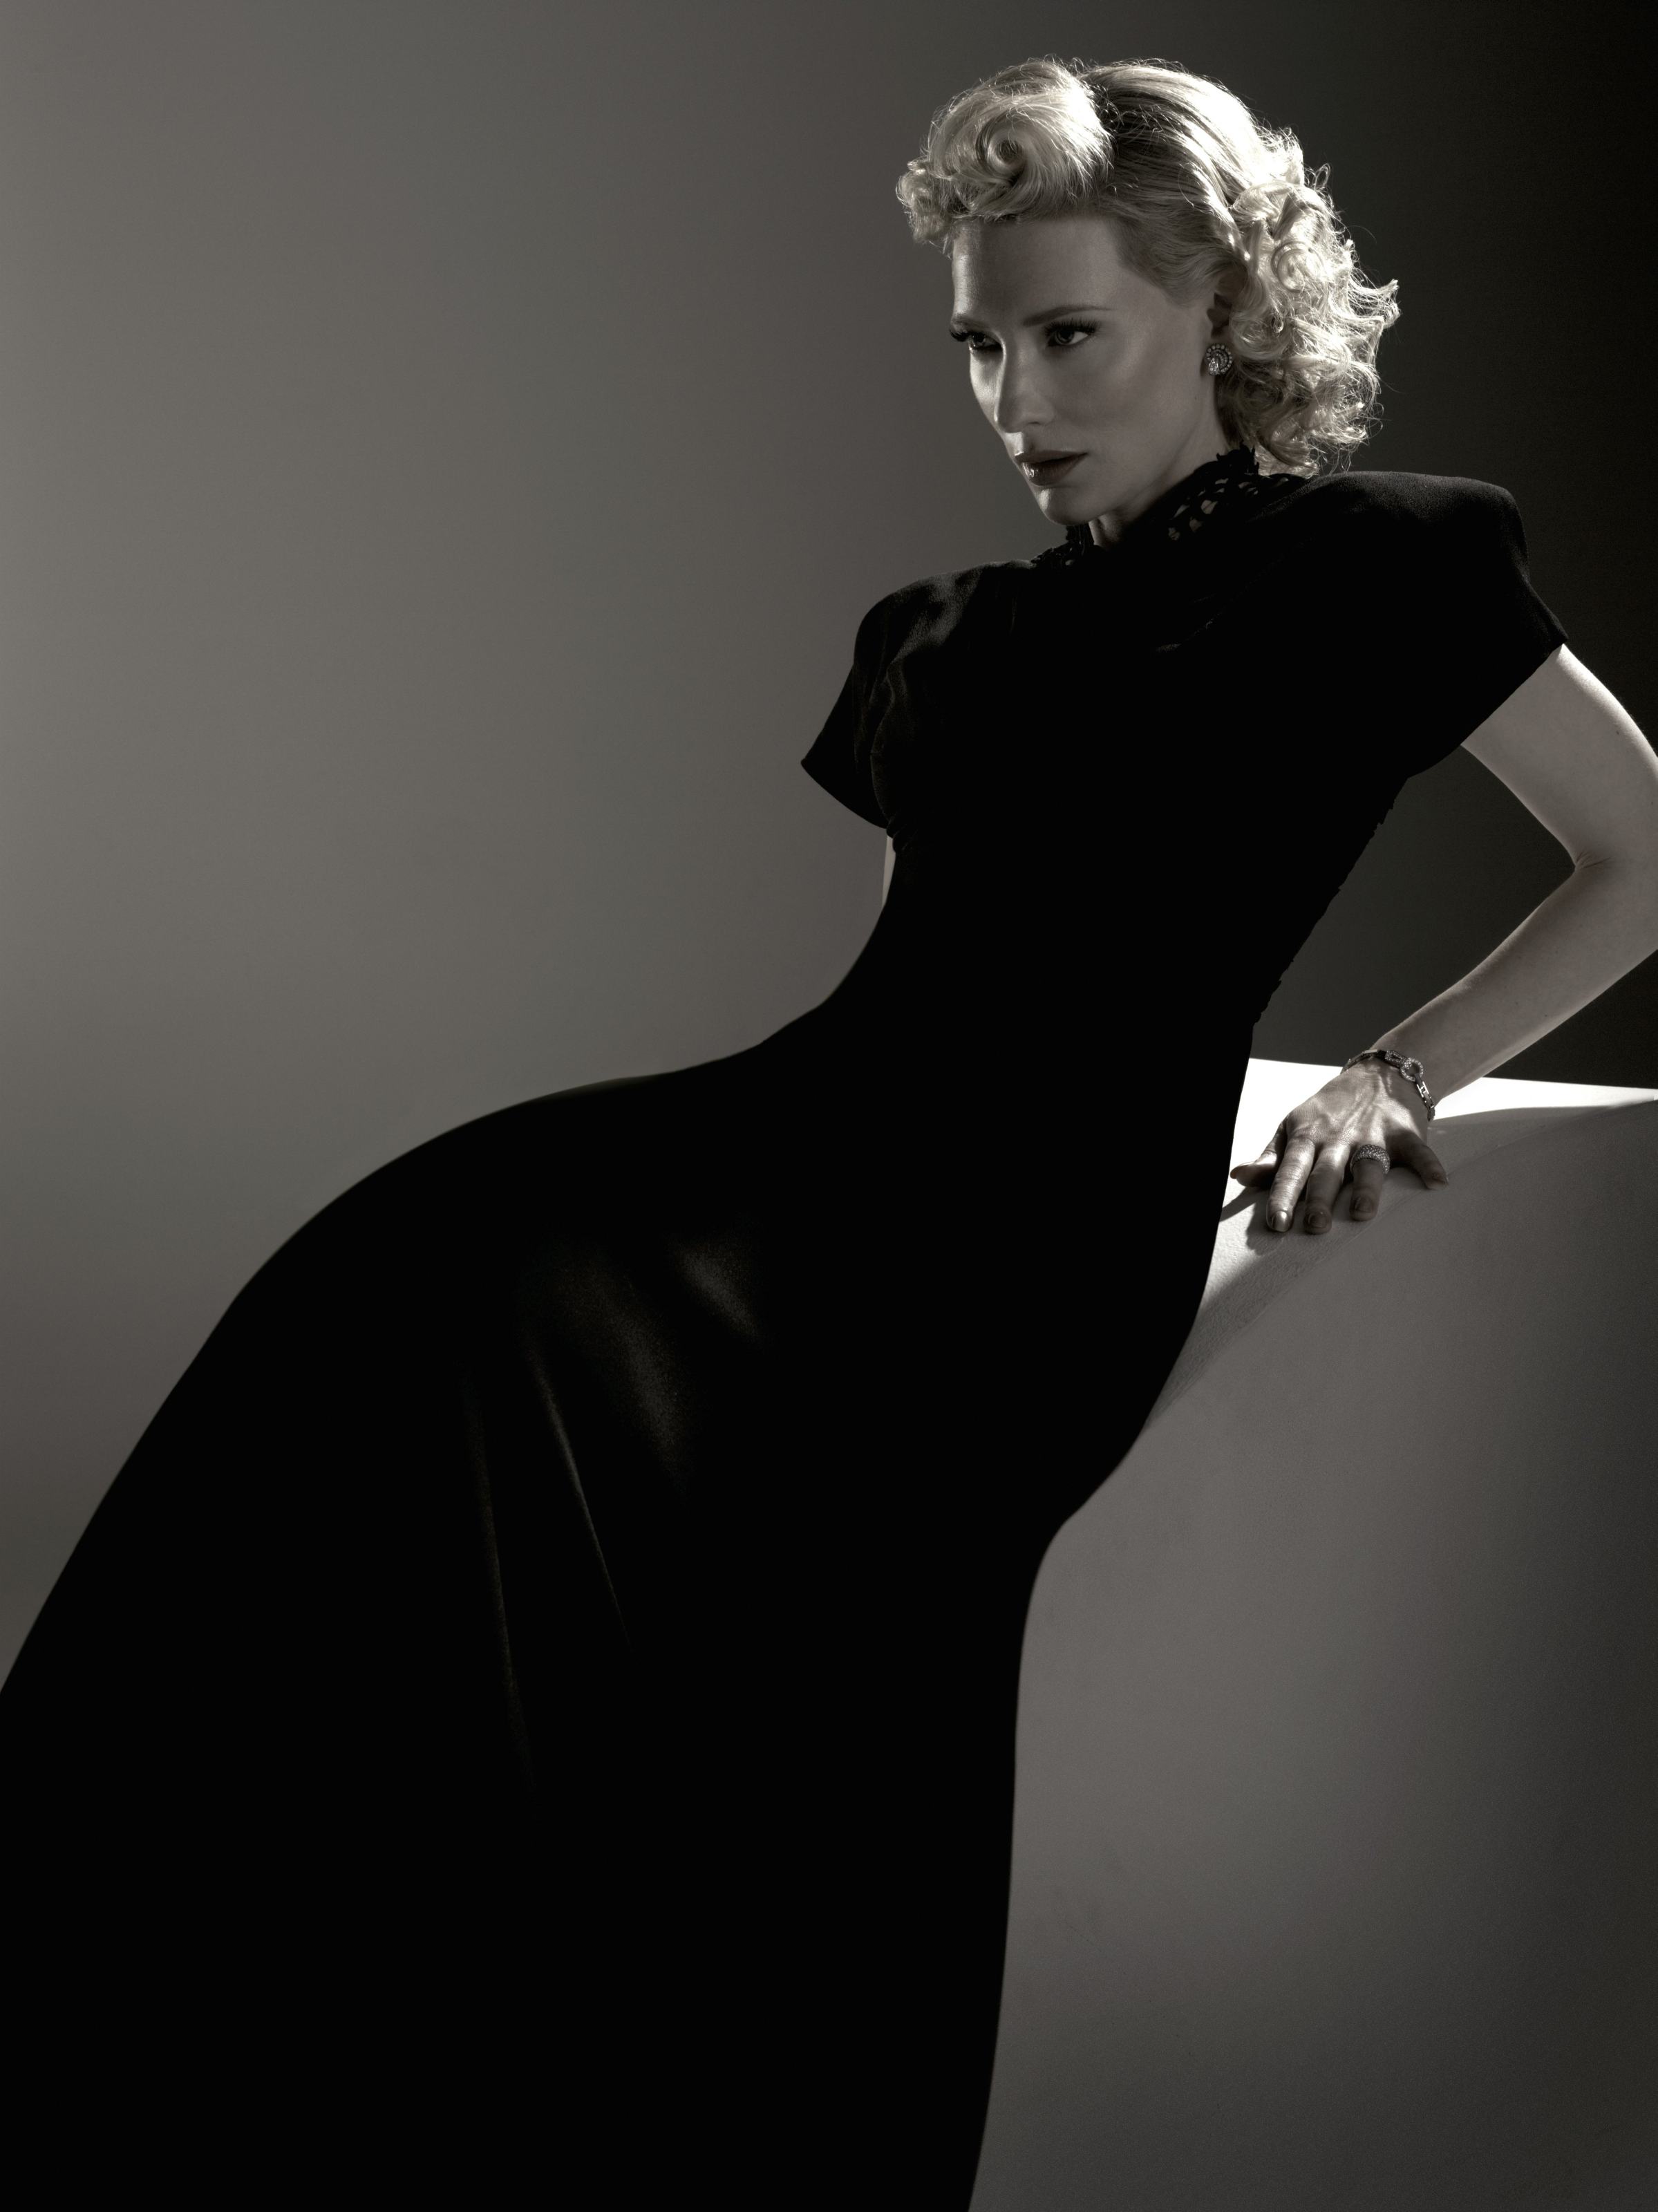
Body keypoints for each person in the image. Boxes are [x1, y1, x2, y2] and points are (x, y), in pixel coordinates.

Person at [3, 51, 1656, 2210]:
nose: (1015, 397)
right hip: (828, 1160)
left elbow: (1644, 853)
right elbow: (909, 993)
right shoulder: (941, 638)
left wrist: (1401, 1064)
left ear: (1225, 308)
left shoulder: (1386, 562)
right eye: (981, 345)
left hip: (1026, 1249)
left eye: (1068, 333)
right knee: (400, 1279)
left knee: (488, 1306)